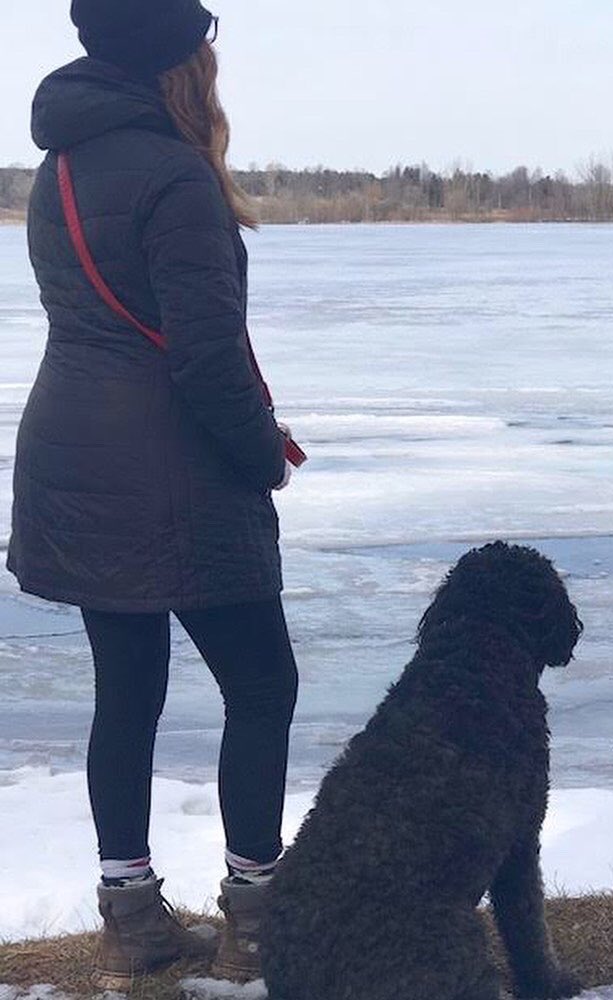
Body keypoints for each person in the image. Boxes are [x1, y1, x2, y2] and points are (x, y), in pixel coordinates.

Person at [7, 0, 299, 987]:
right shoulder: (177, 176)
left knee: (126, 693)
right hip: (175, 471)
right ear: (181, 64)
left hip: (76, 459)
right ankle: (256, 918)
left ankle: (132, 925)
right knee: (263, 684)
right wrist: (265, 454)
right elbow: (209, 363)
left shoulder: (60, 168)